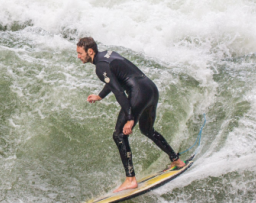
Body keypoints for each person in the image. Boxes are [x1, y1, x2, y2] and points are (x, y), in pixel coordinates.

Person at [77, 37, 182, 194]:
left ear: (90, 51)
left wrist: (130, 118)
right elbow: (114, 81)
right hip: (150, 89)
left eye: (80, 53)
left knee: (119, 135)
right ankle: (177, 160)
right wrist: (100, 96)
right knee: (147, 130)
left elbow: (119, 92)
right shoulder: (108, 54)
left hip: (138, 93)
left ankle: (130, 180)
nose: (78, 56)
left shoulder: (100, 67)